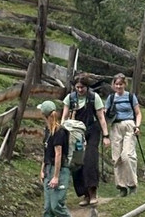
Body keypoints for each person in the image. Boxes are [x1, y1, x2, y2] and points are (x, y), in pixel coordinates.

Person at [63, 76, 109, 206]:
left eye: (82, 87)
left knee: (90, 160)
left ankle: (93, 192)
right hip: (76, 133)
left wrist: (106, 135)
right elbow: (64, 116)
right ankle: (84, 194)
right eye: (77, 87)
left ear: (87, 87)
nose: (79, 90)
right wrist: (62, 131)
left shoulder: (94, 98)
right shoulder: (70, 98)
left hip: (92, 131)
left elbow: (101, 117)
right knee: (77, 161)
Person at [105, 72, 143, 196]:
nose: (118, 86)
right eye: (116, 84)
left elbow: (138, 113)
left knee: (127, 155)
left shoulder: (131, 97)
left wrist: (137, 126)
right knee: (116, 158)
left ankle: (132, 185)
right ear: (113, 85)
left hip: (129, 125)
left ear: (125, 84)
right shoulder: (111, 98)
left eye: (121, 84)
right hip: (115, 127)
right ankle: (121, 187)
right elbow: (105, 113)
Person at [38, 100, 70, 217]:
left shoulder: (59, 131)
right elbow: (46, 152)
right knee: (47, 209)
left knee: (56, 206)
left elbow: (58, 154)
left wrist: (56, 177)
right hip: (48, 169)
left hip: (59, 170)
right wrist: (42, 170)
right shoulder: (47, 130)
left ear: (44, 115)